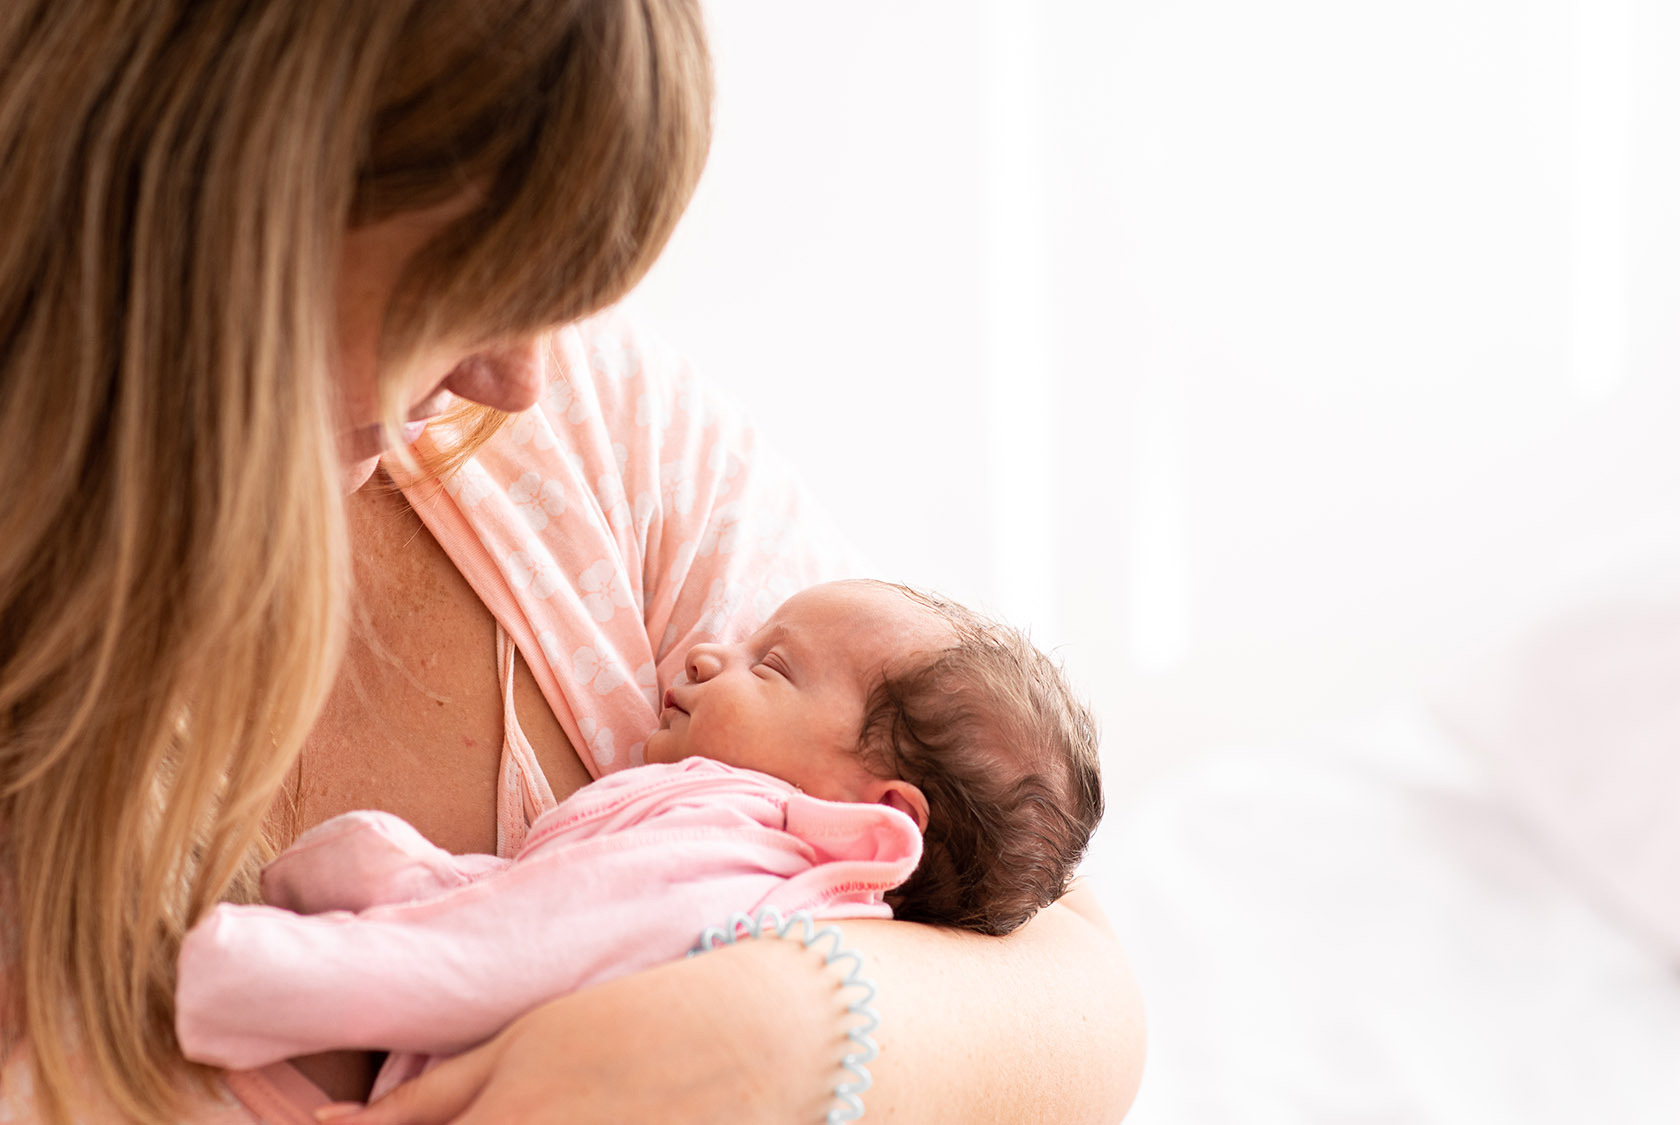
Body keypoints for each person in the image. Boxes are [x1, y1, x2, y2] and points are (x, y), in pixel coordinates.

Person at [0, 4, 1145, 1124]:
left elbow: (1074, 988)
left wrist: (788, 1031)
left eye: (546, 287)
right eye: (468, 276)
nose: (522, 381)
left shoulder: (590, 428)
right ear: (209, 192)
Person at [171, 579, 1106, 1080]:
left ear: (880, 819)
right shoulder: (766, 884)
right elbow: (547, 925)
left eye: (771, 664)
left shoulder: (725, 849)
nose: (703, 649)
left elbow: (496, 955)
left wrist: (227, 974)